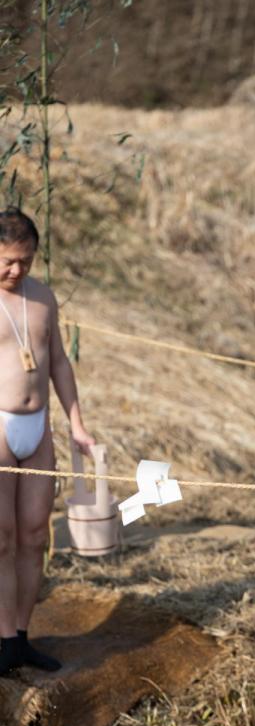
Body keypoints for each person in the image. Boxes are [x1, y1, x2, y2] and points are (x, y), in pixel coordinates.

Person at [0, 208, 95, 677]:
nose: (17, 270)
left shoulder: (42, 298)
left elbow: (58, 360)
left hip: (38, 427)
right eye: (9, 261)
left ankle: (20, 636)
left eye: (26, 261)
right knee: (2, 536)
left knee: (34, 535)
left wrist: (76, 423)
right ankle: (1, 638)